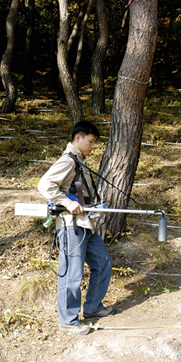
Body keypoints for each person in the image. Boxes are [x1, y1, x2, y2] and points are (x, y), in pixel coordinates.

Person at [38, 121, 115, 335]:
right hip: (71, 227)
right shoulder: (68, 161)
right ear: (78, 138)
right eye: (91, 141)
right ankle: (68, 321)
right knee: (72, 274)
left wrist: (93, 209)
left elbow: (79, 192)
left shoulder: (79, 162)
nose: (92, 146)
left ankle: (92, 307)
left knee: (103, 261)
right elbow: (45, 185)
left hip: (85, 224)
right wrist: (69, 203)